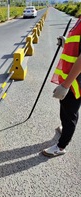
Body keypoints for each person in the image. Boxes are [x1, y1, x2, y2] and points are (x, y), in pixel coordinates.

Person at [42, 17, 81, 157]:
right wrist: (66, 43)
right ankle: (65, 129)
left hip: (76, 80)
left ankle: (61, 146)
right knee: (65, 105)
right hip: (71, 77)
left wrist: (66, 85)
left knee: (70, 112)